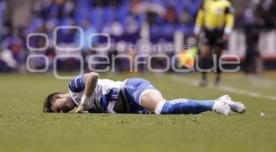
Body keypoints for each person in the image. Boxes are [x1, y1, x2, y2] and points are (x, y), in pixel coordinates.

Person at [43, 72, 245, 115]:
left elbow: (93, 76)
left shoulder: (73, 88)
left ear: (58, 97)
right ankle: (222, 100)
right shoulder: (83, 112)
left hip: (130, 89)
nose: (63, 111)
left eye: (58, 108)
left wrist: (83, 102)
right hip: (133, 108)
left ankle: (212, 104)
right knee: (165, 110)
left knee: (163, 108)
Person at [194, 0, 234, 86]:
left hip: (219, 32)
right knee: (204, 55)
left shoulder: (225, 4)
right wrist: (197, 29)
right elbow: (200, 16)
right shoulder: (206, 2)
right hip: (208, 31)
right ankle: (204, 78)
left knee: (217, 56)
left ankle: (217, 79)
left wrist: (227, 32)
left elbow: (230, 19)